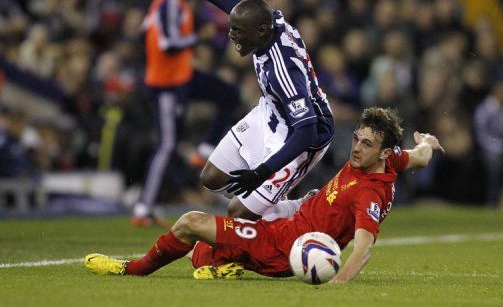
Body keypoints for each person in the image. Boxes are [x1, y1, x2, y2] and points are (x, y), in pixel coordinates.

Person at [84, 107, 445, 283]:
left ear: (382, 152)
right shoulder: (391, 159)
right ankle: (225, 265)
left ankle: (131, 270)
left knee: (190, 223)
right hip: (293, 217)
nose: (356, 148)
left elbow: (364, 246)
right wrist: (427, 142)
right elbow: (420, 157)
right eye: (356, 139)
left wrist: (338, 285)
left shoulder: (369, 195)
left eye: (367, 144)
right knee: (201, 255)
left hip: (282, 245)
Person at [172, 0, 335, 221]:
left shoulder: (283, 72)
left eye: (237, 31)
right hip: (271, 112)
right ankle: (266, 203)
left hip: (303, 133)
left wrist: (262, 171)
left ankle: (304, 207)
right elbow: (242, 10)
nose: (231, 35)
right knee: (211, 178)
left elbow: (306, 130)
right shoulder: (270, 23)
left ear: (260, 32)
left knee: (239, 212)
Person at [132, 0, 241, 227]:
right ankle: (143, 207)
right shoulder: (169, 1)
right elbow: (168, 43)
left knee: (228, 95)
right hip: (168, 82)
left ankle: (203, 149)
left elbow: (146, 33)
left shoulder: (174, 2)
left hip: (180, 77)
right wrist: (197, 38)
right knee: (167, 144)